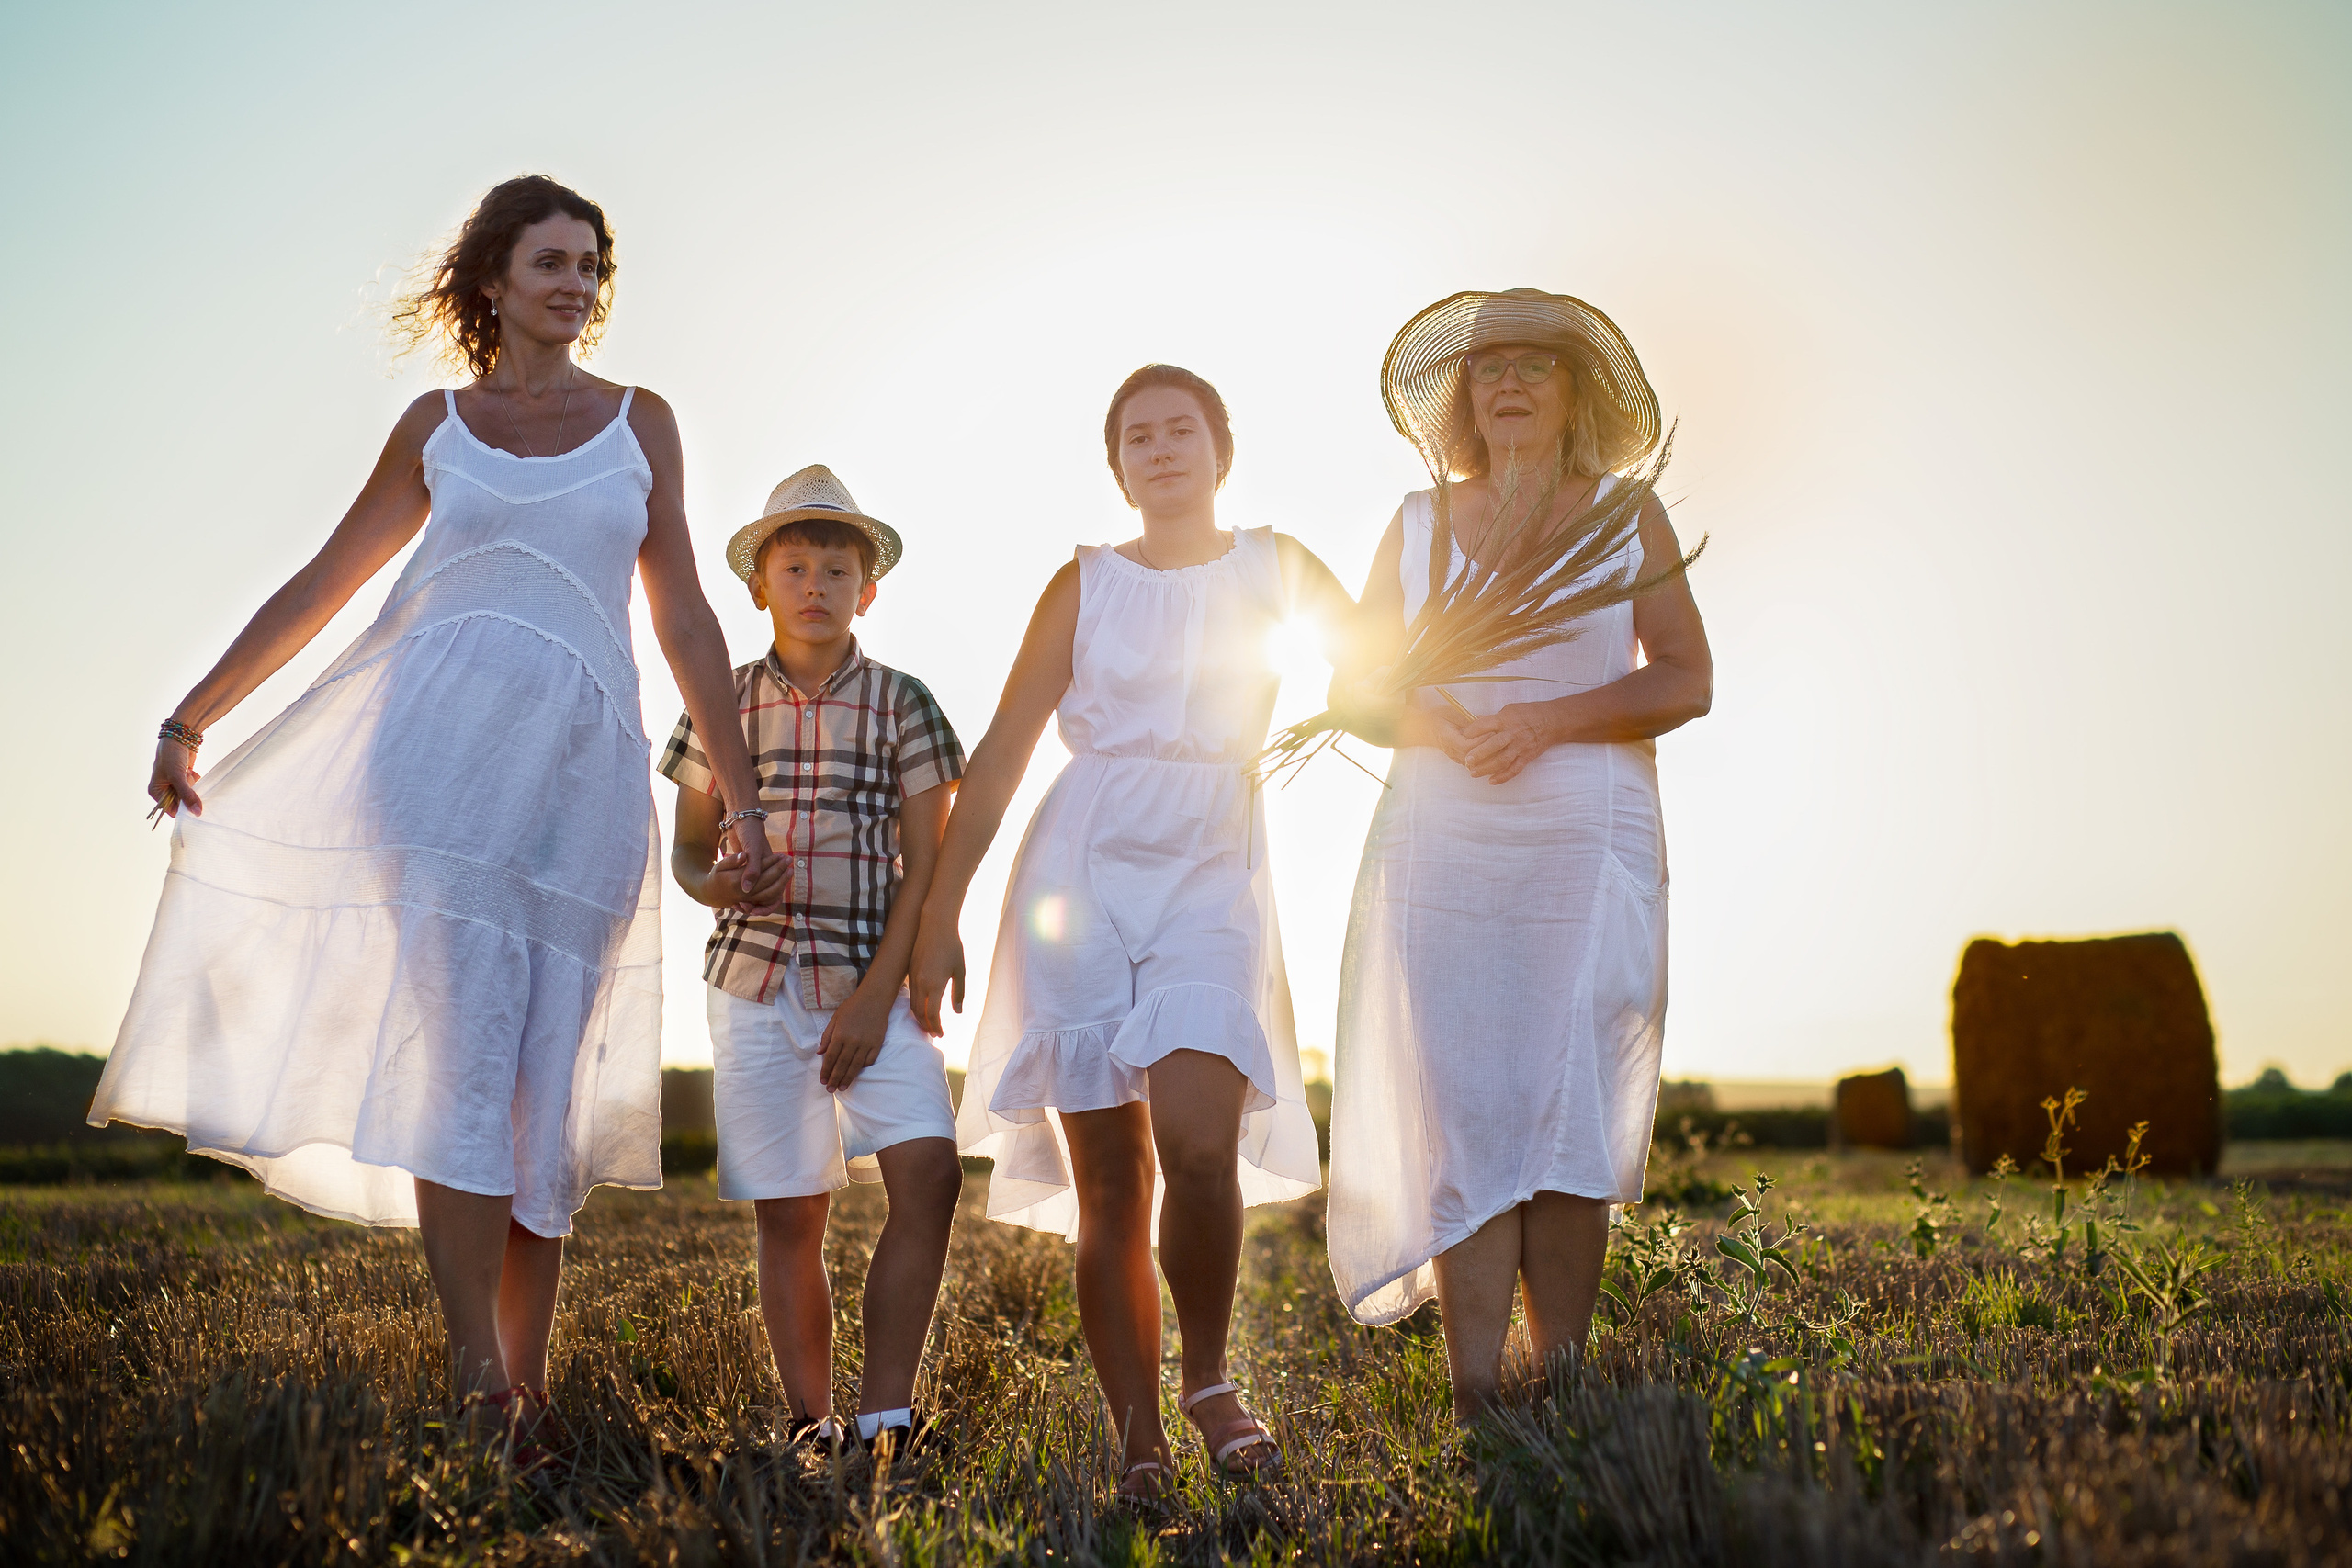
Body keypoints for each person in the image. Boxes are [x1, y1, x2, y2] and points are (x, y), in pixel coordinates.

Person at [89, 175, 778, 1417]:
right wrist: (192, 714)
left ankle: (527, 1384)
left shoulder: (642, 424)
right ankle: (481, 1387)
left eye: (591, 266)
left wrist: (742, 796)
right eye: (551, 262)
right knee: (462, 1066)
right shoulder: (437, 427)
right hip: (436, 773)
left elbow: (684, 613)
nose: (575, 285)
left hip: (582, 780)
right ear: (492, 279)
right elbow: (326, 581)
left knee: (543, 1085)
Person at [910, 366, 1340, 1496]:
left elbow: (1384, 660)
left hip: (1211, 870)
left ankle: (1207, 1380)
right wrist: (942, 913)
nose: (1160, 450)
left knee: (1197, 1148)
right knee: (1111, 1182)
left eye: (1180, 430)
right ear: (1117, 467)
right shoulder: (1083, 583)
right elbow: (1003, 750)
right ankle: (1139, 1433)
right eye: (1136, 437)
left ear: (1221, 450)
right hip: (1081, 867)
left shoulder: (1278, 564)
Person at [1324, 288, 1713, 1418]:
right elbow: (1354, 687)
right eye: (1487, 364)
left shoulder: (1628, 516)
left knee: (1569, 1100)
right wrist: (1437, 721)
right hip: (1443, 838)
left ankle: (1564, 1381)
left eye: (1533, 364)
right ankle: (1477, 1396)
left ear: (1573, 390)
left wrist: (1548, 719)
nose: (1505, 381)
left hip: (1585, 838)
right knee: (1467, 1105)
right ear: (1463, 394)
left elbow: (1685, 677)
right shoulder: (1414, 523)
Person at [660, 466, 965, 1455]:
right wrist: (717, 886)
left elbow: (928, 865)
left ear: (867, 591)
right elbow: (688, 854)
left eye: (838, 570)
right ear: (761, 586)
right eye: (795, 567)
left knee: (930, 1175)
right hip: (752, 983)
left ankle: (885, 1415)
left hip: (871, 984)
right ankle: (813, 1424)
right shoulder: (722, 701)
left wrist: (877, 998)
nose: (816, 586)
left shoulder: (903, 703)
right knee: (791, 1215)